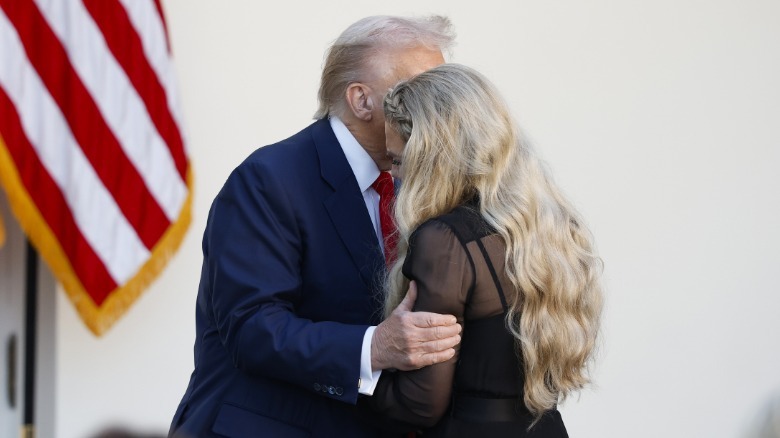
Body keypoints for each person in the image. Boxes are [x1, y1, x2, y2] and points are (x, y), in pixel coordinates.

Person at [169, 16, 462, 438]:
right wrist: (375, 347)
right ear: (361, 100)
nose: (443, 108)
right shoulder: (269, 179)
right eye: (421, 90)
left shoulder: (412, 184)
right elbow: (253, 328)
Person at [369, 64, 604, 436]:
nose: (392, 173)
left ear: (433, 159)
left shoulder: (444, 242)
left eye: (398, 160)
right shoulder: (551, 225)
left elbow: (420, 403)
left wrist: (358, 375)